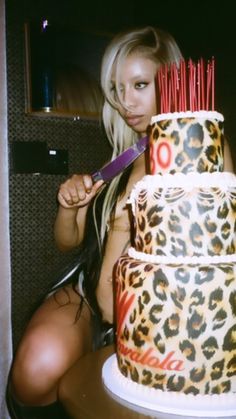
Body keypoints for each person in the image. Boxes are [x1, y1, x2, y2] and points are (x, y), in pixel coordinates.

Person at [7, 26, 234, 419]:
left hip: (161, 312)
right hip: (87, 290)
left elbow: (215, 244)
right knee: (31, 373)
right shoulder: (123, 156)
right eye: (116, 89)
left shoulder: (201, 147)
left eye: (140, 84)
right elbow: (68, 243)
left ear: (174, 80)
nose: (126, 102)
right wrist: (69, 206)